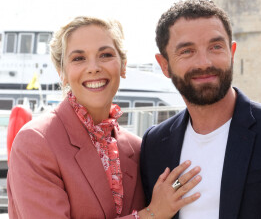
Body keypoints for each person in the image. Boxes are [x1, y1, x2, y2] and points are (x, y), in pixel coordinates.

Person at [7, 16, 201, 219]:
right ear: (62, 72)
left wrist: (181, 184)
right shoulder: (36, 142)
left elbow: (167, 197)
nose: (93, 67)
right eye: (78, 58)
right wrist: (151, 214)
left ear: (123, 65)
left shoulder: (137, 148)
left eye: (105, 55)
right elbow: (157, 209)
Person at [140, 0, 261, 219]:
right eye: (187, 51)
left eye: (215, 47)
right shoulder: (154, 143)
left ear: (232, 52)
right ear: (164, 65)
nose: (204, 62)